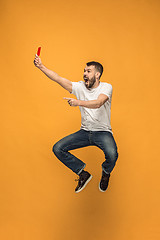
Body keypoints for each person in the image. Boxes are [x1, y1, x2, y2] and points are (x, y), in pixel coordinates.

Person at [34, 54, 118, 193]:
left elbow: (98, 103)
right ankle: (82, 174)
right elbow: (58, 78)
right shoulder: (79, 87)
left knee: (112, 155)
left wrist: (78, 102)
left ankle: (106, 172)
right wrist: (41, 66)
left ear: (97, 74)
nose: (84, 74)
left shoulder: (106, 87)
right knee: (58, 148)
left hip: (103, 132)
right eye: (84, 71)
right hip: (84, 132)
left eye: (88, 71)